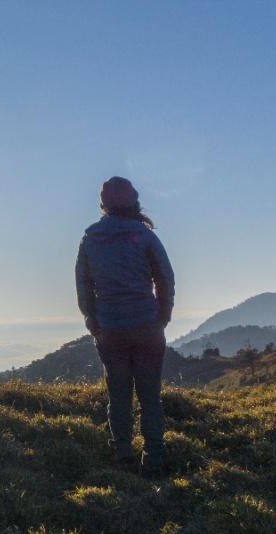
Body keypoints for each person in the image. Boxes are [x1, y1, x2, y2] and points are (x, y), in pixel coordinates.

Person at [75, 176, 175, 475]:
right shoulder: (145, 236)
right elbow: (165, 279)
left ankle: (123, 455)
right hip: (147, 325)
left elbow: (83, 285)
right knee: (149, 397)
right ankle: (154, 458)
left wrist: (93, 321)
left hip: (110, 329)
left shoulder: (90, 239)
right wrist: (162, 316)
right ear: (134, 202)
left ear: (103, 205)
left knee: (118, 395)